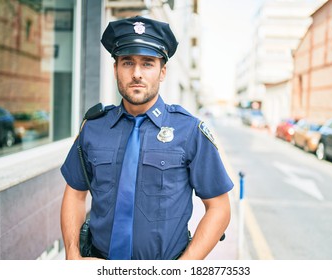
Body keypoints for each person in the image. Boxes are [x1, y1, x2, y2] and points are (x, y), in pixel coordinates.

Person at [60, 16, 233, 260]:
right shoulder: (93, 127)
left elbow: (219, 207)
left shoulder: (190, 131)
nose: (137, 74)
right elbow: (75, 195)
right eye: (127, 62)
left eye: (148, 63)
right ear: (115, 68)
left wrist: (183, 268)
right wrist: (72, 256)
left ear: (162, 72)